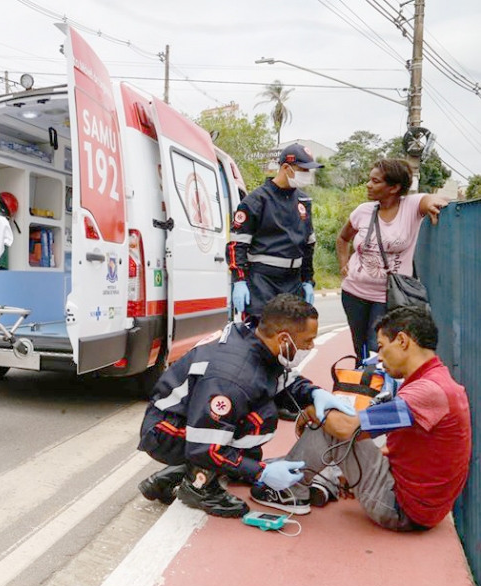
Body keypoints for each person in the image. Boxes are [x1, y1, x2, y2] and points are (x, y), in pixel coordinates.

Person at [251, 307, 471, 531]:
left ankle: (291, 490)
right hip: (418, 503)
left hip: (401, 509)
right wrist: (354, 465)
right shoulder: (436, 381)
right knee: (339, 426)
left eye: (383, 347)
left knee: (332, 423)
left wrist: (310, 410)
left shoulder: (428, 391)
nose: (379, 357)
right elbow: (373, 434)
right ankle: (320, 479)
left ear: (403, 341)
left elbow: (347, 428)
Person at [136, 294, 355, 518]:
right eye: (307, 340)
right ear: (284, 339)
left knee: (246, 442)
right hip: (165, 431)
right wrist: (261, 473)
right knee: (258, 422)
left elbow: (280, 380)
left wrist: (313, 393)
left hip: (185, 416)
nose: (311, 345)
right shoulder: (233, 378)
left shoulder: (254, 338)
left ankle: (172, 476)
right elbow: (206, 447)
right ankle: (199, 488)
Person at [336, 159, 448, 363]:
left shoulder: (410, 206)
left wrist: (433, 203)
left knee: (377, 348)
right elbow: (343, 238)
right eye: (369, 180)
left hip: (388, 296)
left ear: (394, 188)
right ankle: (364, 388)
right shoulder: (363, 211)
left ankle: (381, 391)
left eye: (375, 181)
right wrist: (344, 264)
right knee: (360, 348)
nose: (368, 185)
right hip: (354, 292)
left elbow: (430, 199)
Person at [227, 143, 323, 324]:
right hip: (262, 280)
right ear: (286, 168)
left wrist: (308, 280)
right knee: (260, 335)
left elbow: (308, 245)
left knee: (291, 336)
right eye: (303, 170)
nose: (308, 175)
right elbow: (237, 244)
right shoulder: (256, 201)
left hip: (293, 280)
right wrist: (239, 280)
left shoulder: (303, 200)